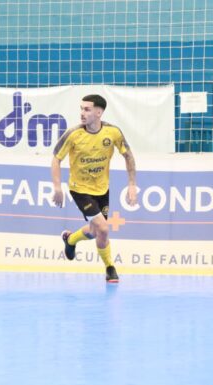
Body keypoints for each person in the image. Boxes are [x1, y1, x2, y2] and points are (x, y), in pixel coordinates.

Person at [51, 94, 137, 282]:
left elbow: (128, 155)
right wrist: (57, 187)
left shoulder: (113, 132)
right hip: (80, 189)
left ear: (99, 112)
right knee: (103, 229)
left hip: (102, 189)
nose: (82, 113)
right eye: (81, 109)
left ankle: (70, 240)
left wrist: (132, 185)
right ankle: (110, 268)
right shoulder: (73, 134)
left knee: (95, 230)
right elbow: (56, 158)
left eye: (87, 109)